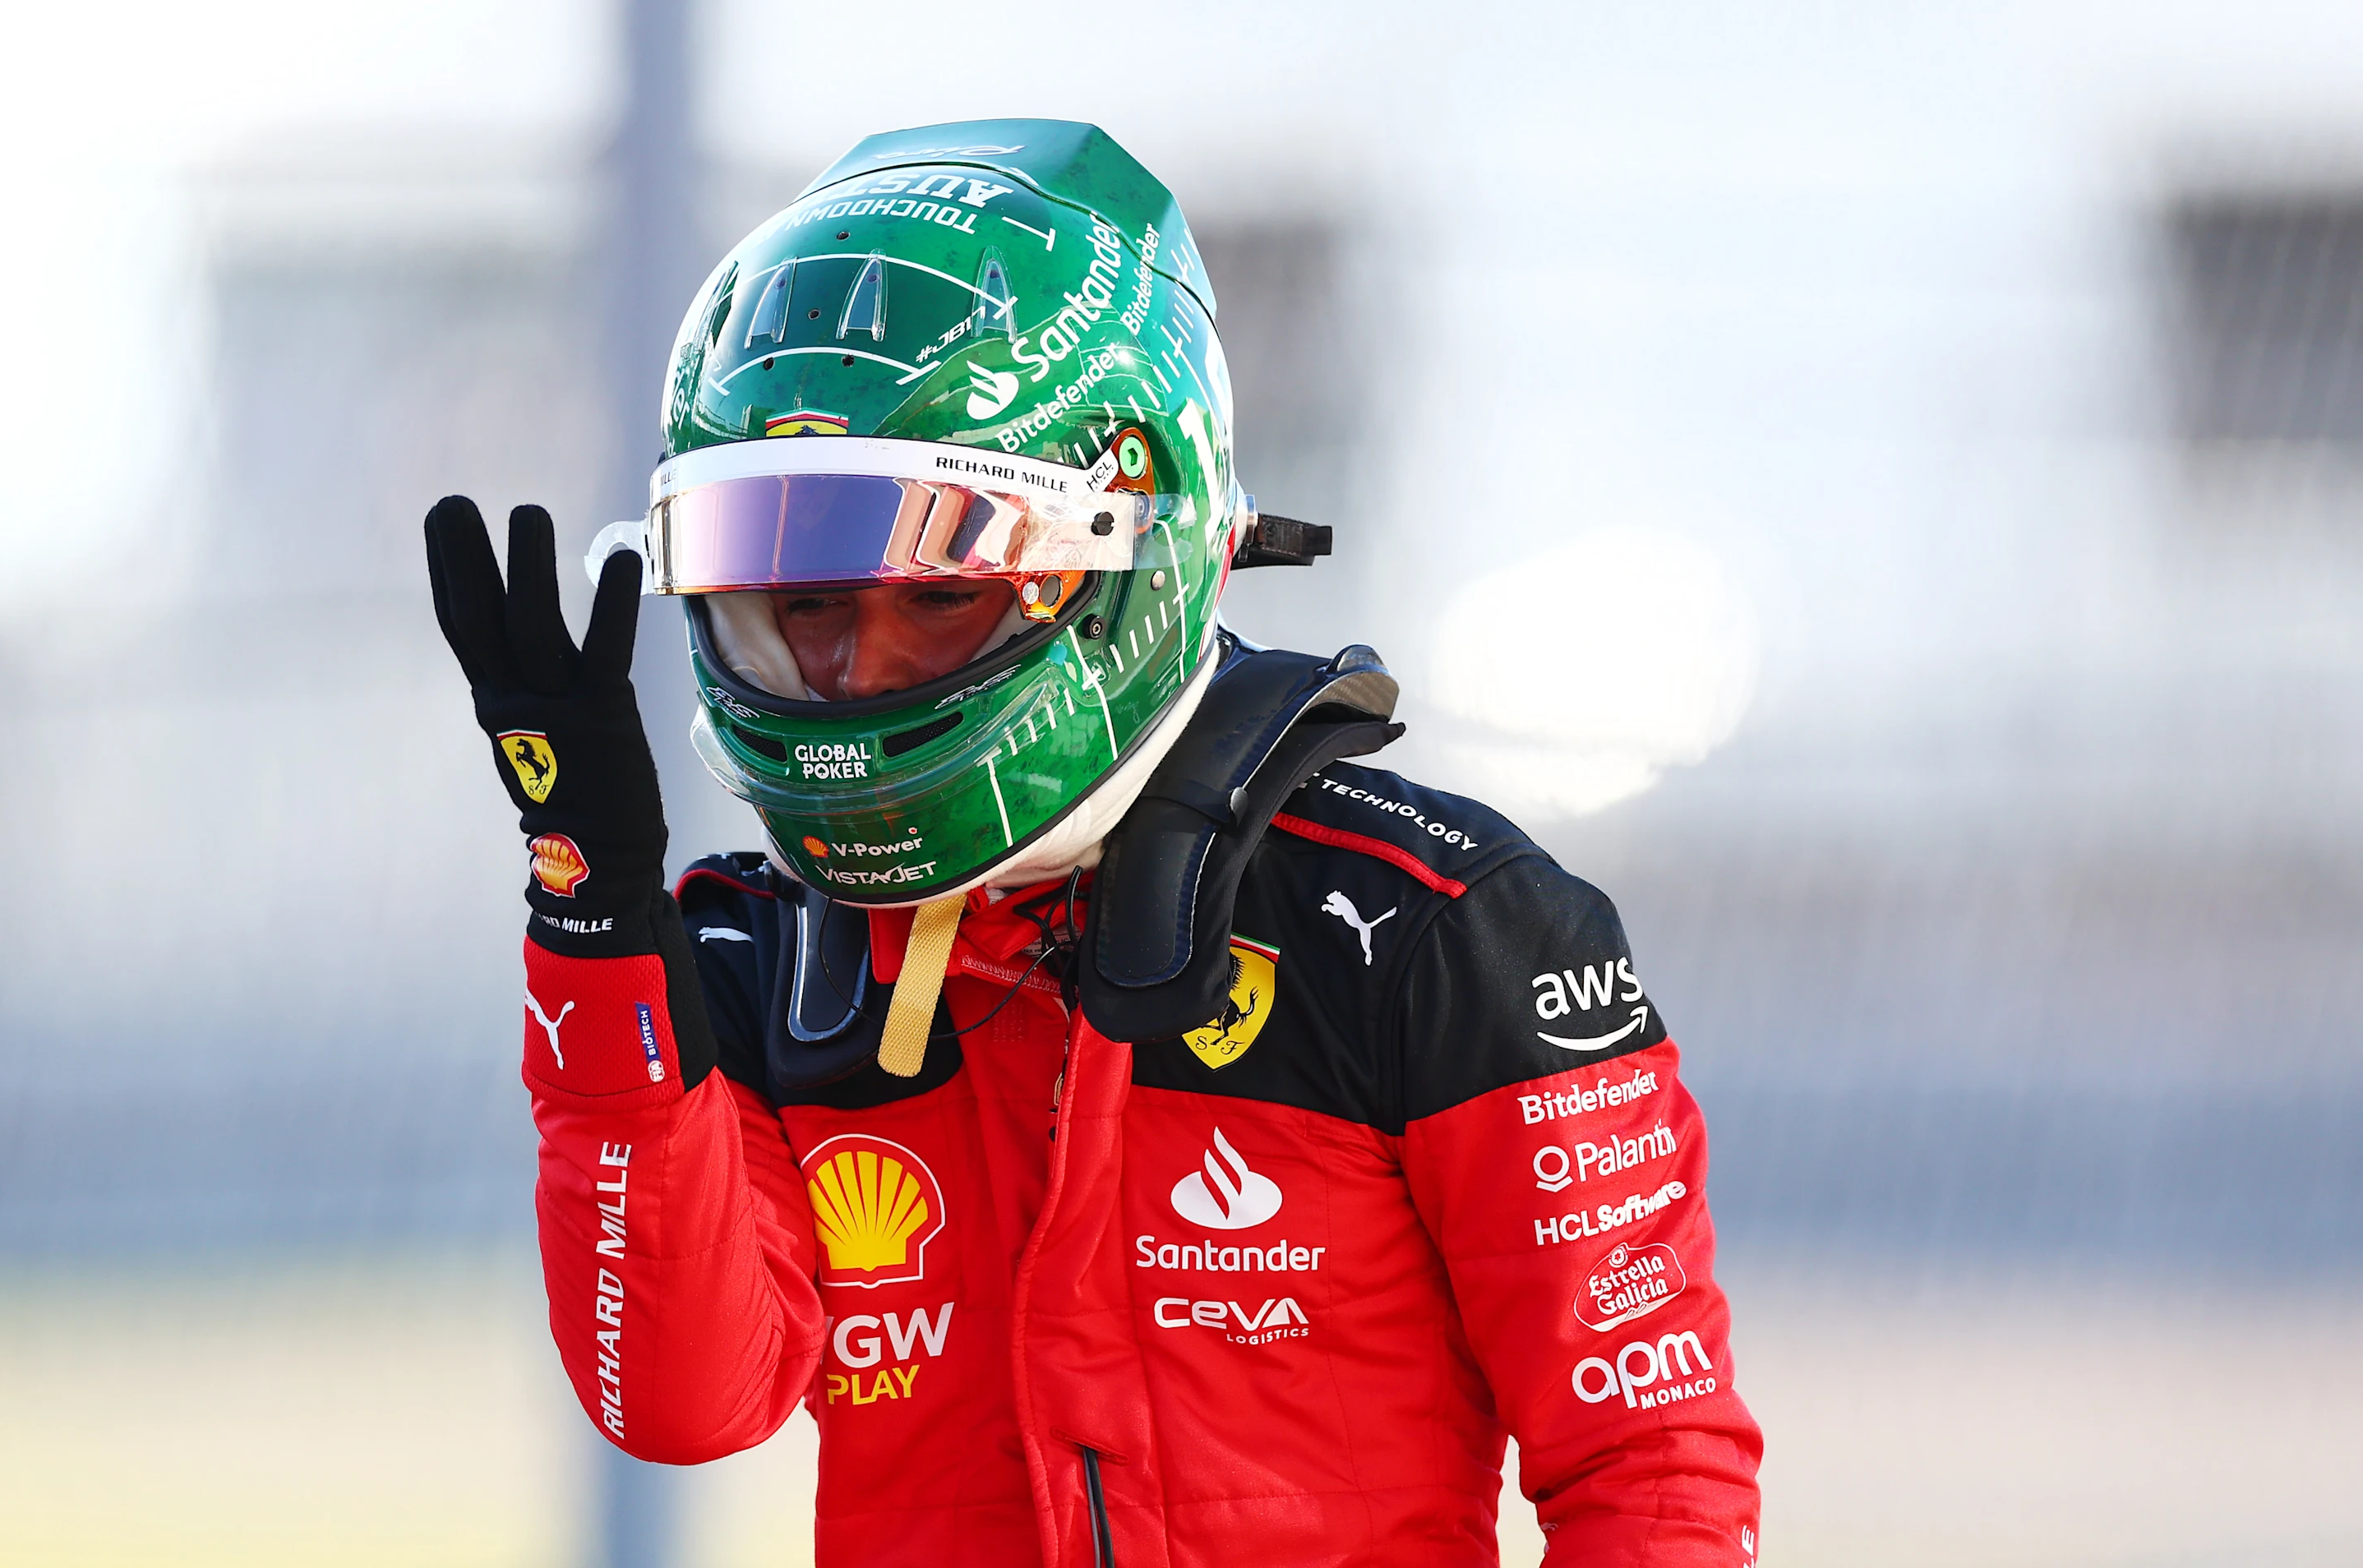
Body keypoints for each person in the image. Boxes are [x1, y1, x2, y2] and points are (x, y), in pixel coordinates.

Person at [425, 120, 1762, 1567]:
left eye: (934, 590)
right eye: (807, 605)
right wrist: (598, 918)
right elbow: (679, 1402)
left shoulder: (1443, 928)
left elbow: (1653, 1479)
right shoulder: (756, 955)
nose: (855, 673)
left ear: (1131, 541)